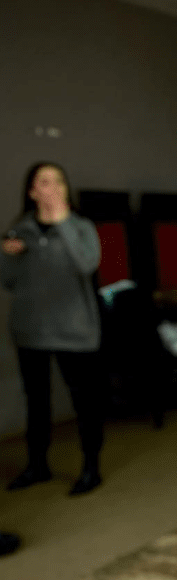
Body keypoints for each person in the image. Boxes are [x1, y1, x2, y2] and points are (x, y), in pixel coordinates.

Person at [1, 162, 104, 495]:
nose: (54, 187)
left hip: (75, 332)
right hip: (31, 332)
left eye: (59, 180)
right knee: (37, 403)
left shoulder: (82, 227)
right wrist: (7, 256)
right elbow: (8, 281)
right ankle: (37, 466)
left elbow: (87, 264)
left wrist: (62, 222)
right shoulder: (20, 230)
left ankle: (91, 468)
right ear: (33, 192)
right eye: (45, 182)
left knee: (85, 403)